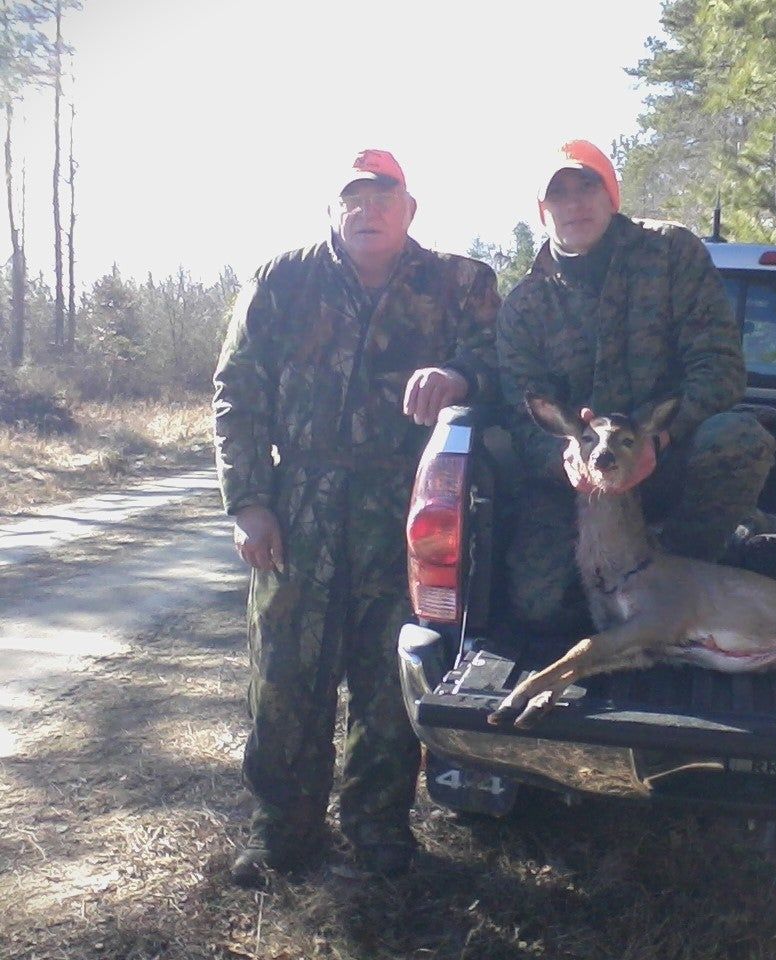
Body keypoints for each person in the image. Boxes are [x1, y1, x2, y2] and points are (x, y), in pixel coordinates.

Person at [212, 148, 500, 886]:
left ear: (410, 209)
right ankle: (283, 829)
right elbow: (237, 393)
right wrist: (249, 503)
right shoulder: (283, 280)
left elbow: (509, 362)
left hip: (410, 510)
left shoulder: (462, 284)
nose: (367, 210)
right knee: (285, 676)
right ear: (333, 212)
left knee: (388, 679)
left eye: (383, 197)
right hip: (299, 504)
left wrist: (463, 375)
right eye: (353, 198)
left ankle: (377, 828)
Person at [497, 139, 775, 629]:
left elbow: (720, 366)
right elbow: (522, 412)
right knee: (535, 603)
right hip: (578, 485)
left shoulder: (671, 252)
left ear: (613, 196)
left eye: (588, 187)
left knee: (739, 439)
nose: (575, 203)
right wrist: (563, 458)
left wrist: (659, 439)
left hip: (666, 465)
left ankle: (683, 581)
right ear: (542, 211)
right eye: (559, 195)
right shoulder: (524, 304)